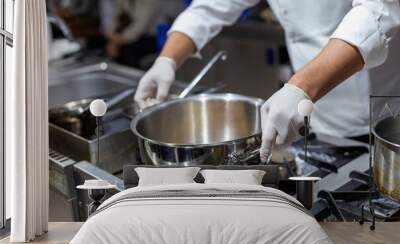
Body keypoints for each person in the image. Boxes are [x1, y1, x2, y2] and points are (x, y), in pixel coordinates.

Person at [133, 0, 400, 162]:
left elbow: (378, 13)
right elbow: (210, 8)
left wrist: (300, 88)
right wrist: (166, 60)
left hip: (381, 117)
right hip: (315, 111)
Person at [105, 0, 158, 68]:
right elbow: (115, 19)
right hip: (123, 35)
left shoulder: (150, 2)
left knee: (127, 50)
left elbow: (140, 27)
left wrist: (118, 41)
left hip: (149, 37)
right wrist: (112, 37)